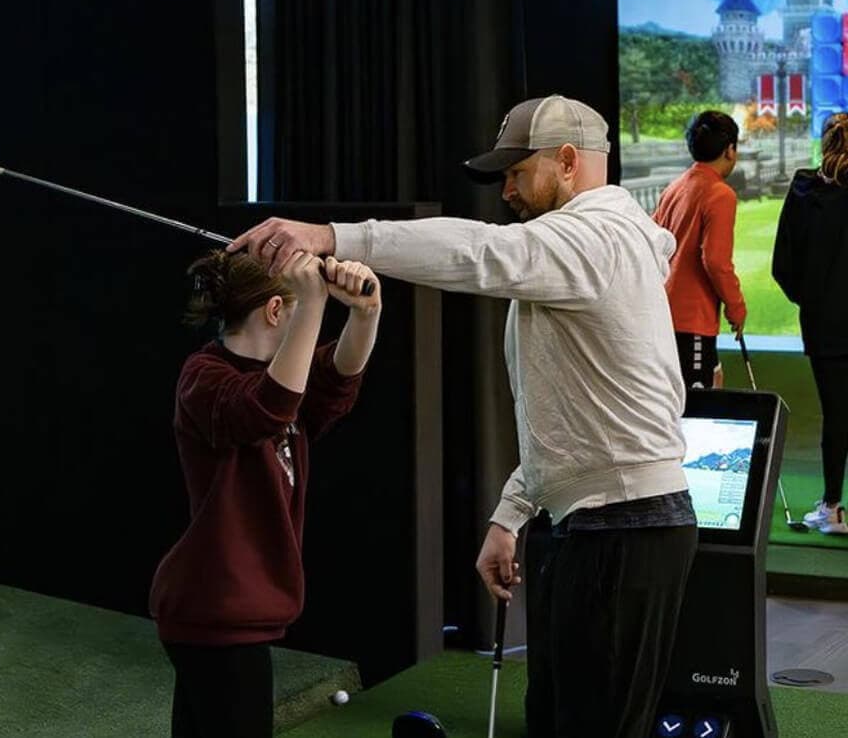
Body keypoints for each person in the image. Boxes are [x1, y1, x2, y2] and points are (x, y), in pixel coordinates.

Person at [229, 94, 698, 738]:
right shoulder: (572, 251)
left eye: (515, 170)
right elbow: (566, 415)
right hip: (589, 523)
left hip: (625, 526)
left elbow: (478, 252)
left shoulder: (597, 236)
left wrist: (331, 235)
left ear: (567, 161)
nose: (505, 189)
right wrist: (512, 514)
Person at [149, 249, 382, 738]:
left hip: (227, 616)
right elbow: (267, 408)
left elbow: (337, 379)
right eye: (299, 310)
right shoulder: (204, 376)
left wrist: (366, 312)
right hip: (215, 610)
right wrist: (315, 304)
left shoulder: (282, 382)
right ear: (276, 311)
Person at [772, 111, 848, 536]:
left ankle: (833, 507)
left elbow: (784, 264)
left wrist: (815, 301)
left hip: (825, 326)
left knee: (837, 414)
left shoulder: (805, 189)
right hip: (827, 321)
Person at [652, 109, 748, 390]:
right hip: (692, 321)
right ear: (730, 150)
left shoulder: (674, 188)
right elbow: (716, 261)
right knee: (697, 413)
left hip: (662, 317)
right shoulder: (720, 194)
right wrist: (737, 308)